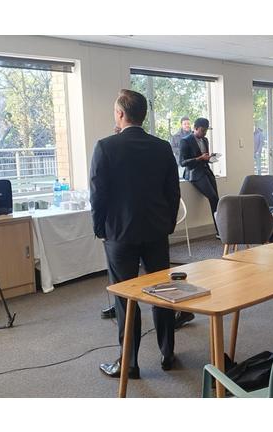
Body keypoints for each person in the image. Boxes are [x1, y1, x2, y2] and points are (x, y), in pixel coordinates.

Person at [92, 90, 181, 380]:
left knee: (125, 298)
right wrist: (168, 224)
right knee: (163, 293)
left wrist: (99, 227)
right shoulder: (162, 147)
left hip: (120, 233)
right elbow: (173, 191)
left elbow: (98, 194)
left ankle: (129, 363)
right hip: (156, 231)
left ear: (120, 114)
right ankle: (168, 353)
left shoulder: (105, 146)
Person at [180, 117, 220, 238]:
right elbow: (182, 162)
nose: (204, 133)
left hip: (206, 171)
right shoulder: (185, 141)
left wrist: (209, 158)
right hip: (194, 173)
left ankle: (221, 230)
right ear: (195, 128)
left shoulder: (205, 140)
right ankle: (220, 231)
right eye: (202, 130)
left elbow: (204, 158)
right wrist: (199, 158)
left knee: (217, 199)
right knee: (213, 197)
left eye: (206, 131)